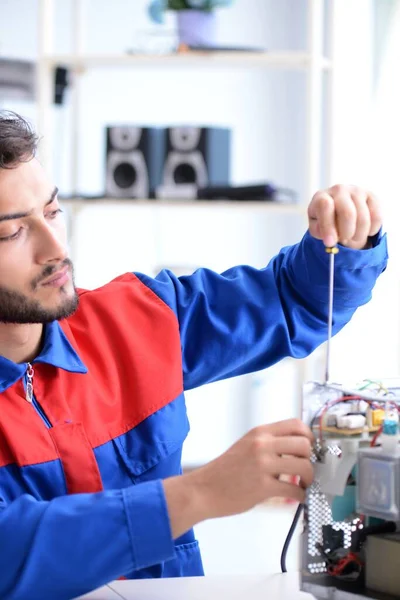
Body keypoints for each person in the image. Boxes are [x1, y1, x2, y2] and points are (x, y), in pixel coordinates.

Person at [0, 111, 387, 600]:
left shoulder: (136, 319)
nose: (56, 247)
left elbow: (294, 301)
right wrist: (199, 493)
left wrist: (347, 243)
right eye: (12, 233)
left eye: (53, 211)